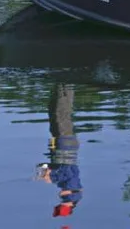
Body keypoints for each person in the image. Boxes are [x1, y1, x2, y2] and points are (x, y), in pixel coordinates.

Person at [35, 83, 84, 218]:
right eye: (63, 199)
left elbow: (60, 171)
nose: (60, 197)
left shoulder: (64, 184)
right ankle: (67, 85)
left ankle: (57, 88)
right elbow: (66, 169)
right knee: (61, 114)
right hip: (66, 144)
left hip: (60, 144)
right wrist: (50, 174)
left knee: (53, 114)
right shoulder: (73, 187)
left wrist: (46, 168)